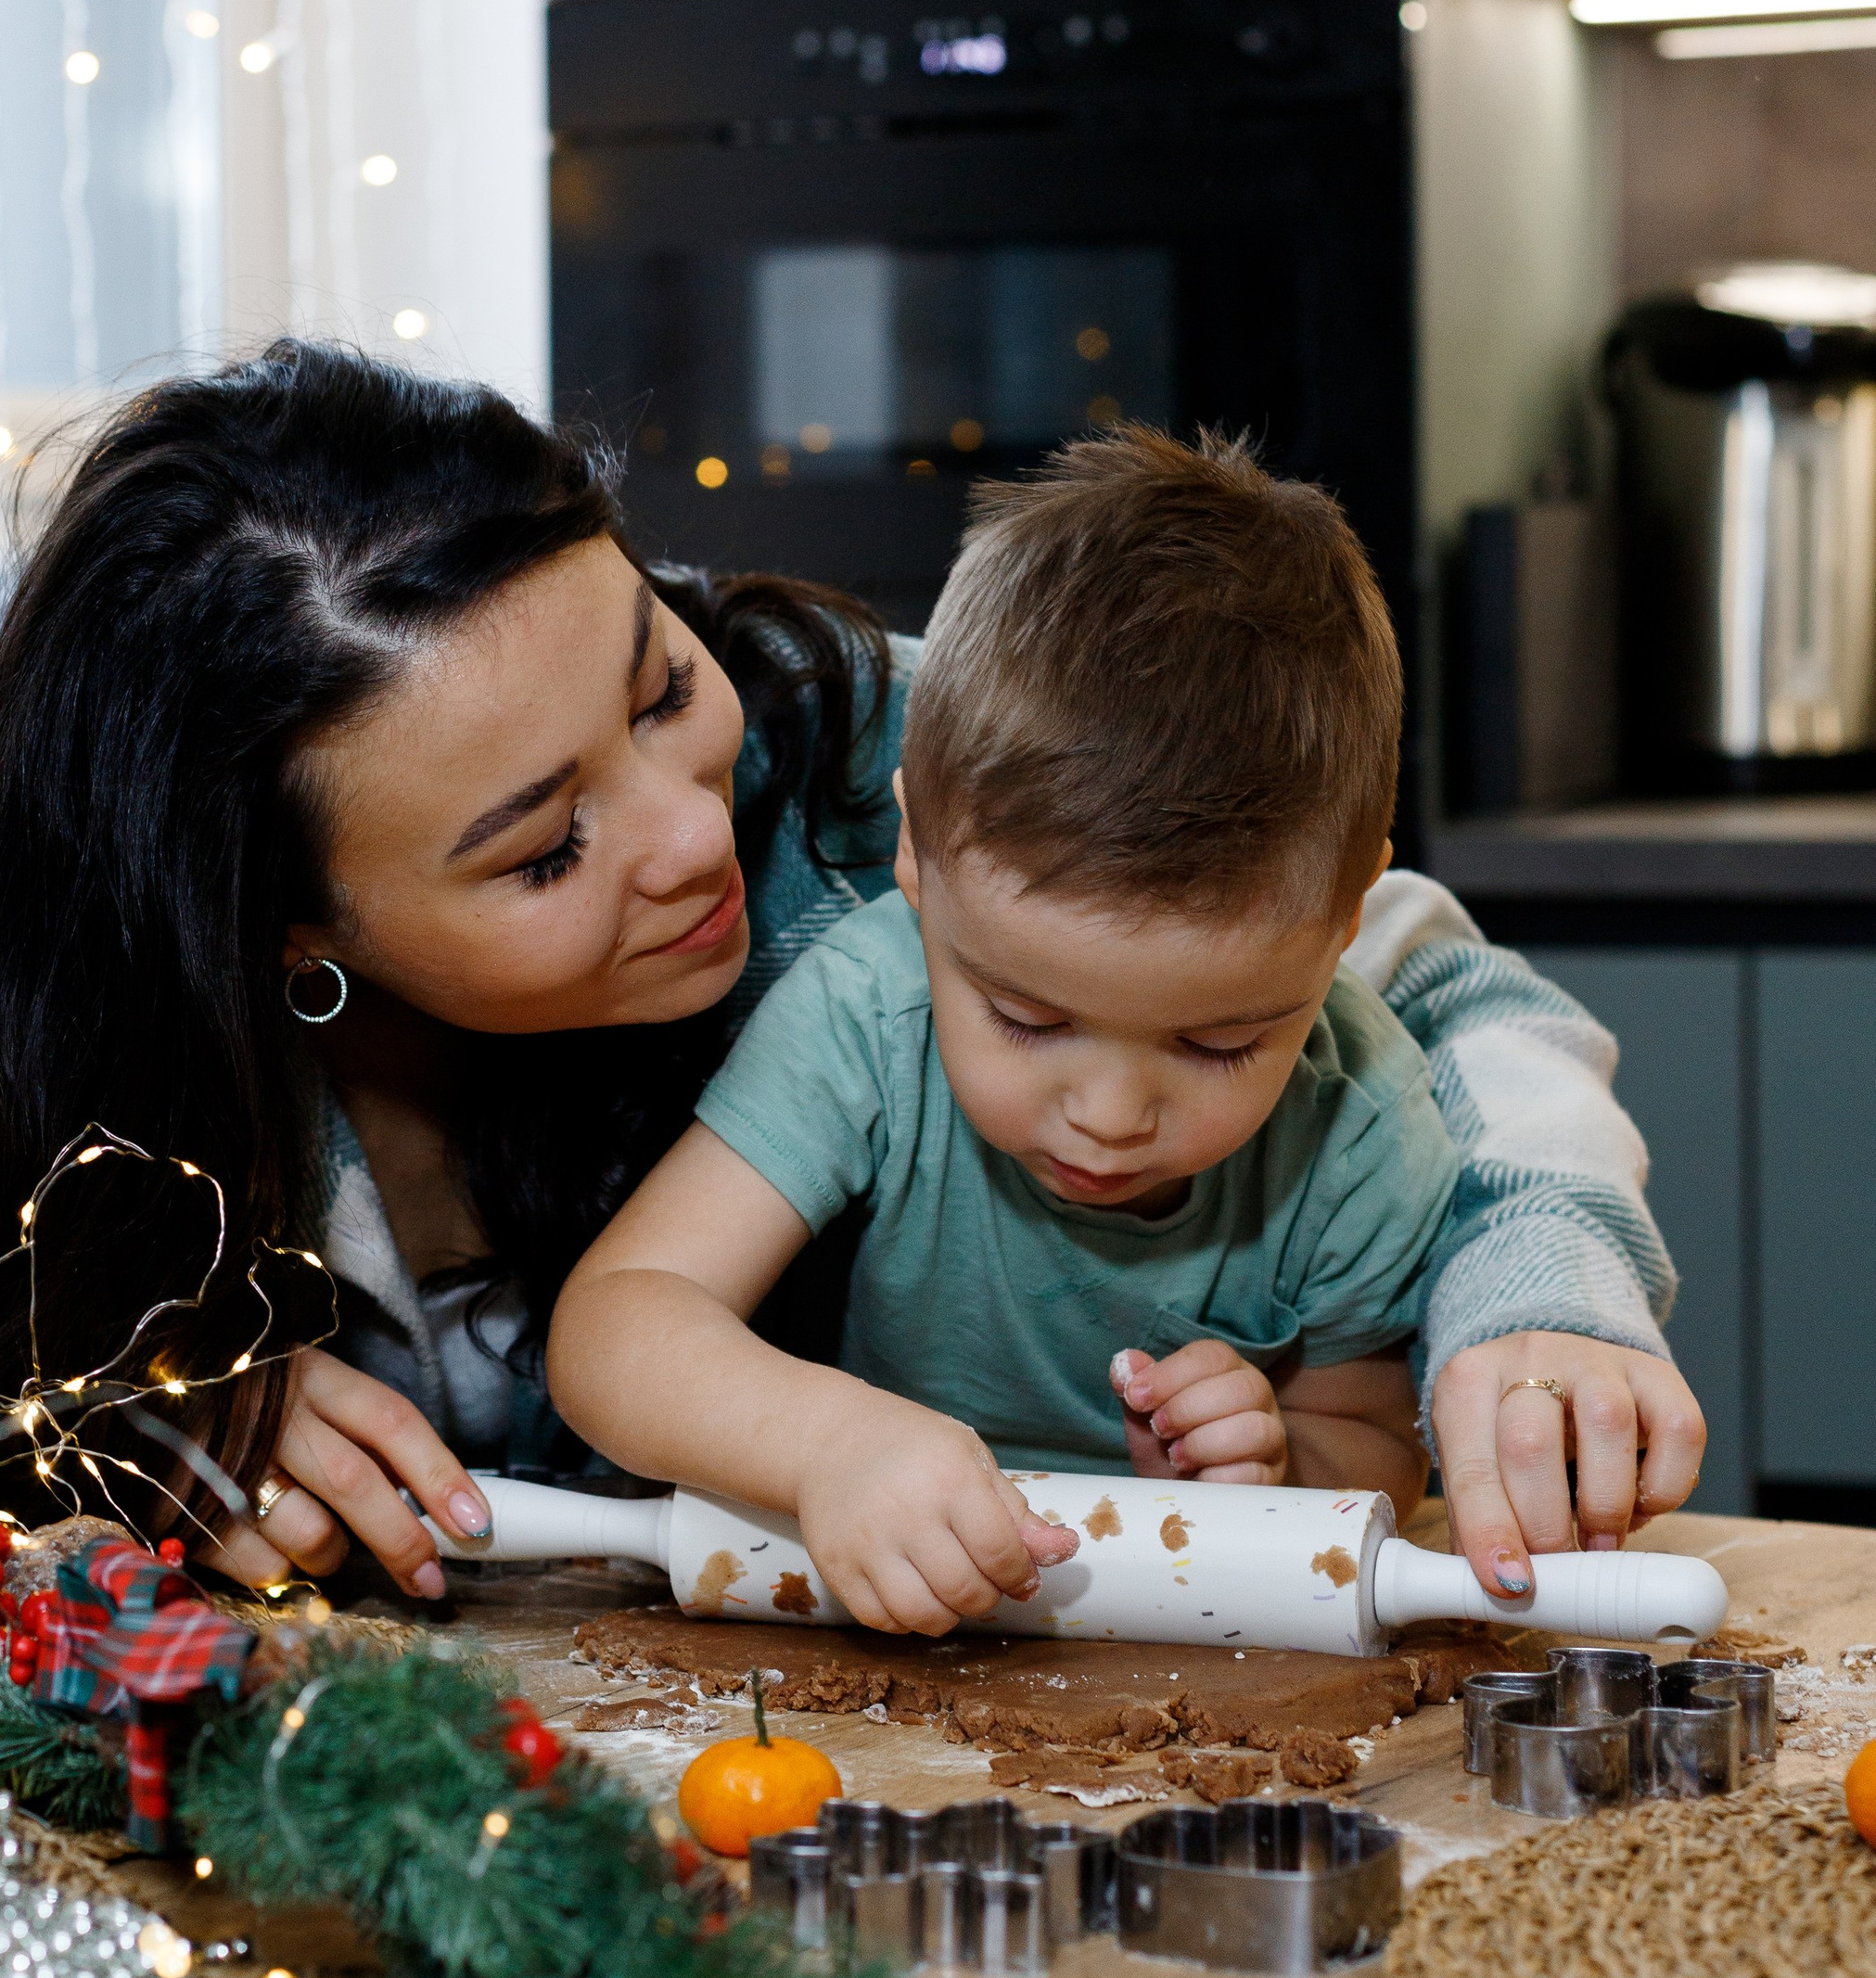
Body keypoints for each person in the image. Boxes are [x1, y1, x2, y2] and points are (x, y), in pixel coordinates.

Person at [0, 341, 1699, 1616]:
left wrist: (1540, 1286)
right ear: (287, 931)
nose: (683, 829)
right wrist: (70, 1460)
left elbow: (1411, 980)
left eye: (651, 682)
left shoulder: (850, 755)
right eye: (541, 845)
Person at [547, 429, 1456, 1634]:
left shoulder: (1362, 1125)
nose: (1111, 1113)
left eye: (1219, 1044)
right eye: (1026, 1019)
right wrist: (831, 1445)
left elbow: (1378, 1447)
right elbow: (617, 1326)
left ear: (1346, 920)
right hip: (896, 1650)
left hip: (1188, 1655)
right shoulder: (873, 1009)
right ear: (915, 852)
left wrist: (1281, 1460)